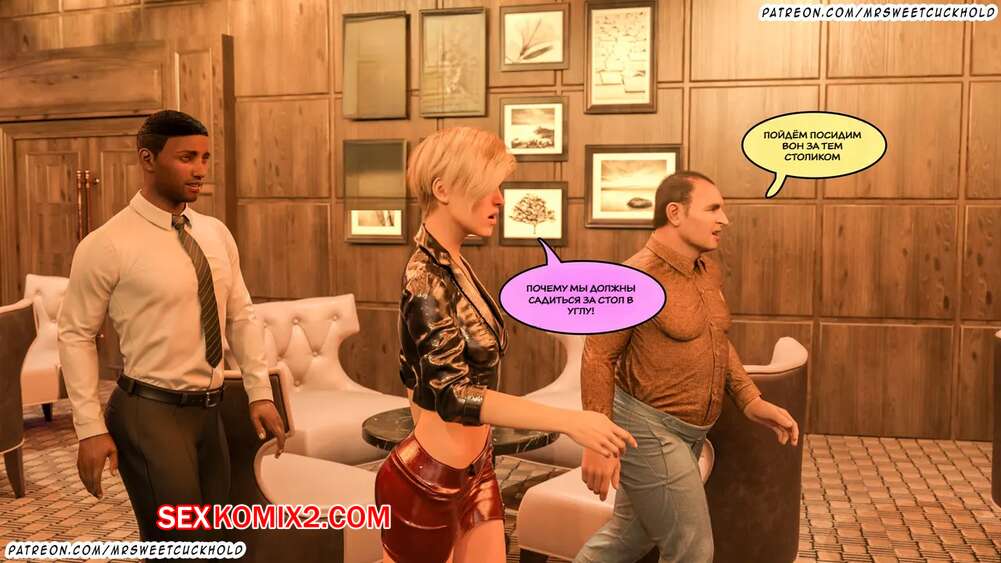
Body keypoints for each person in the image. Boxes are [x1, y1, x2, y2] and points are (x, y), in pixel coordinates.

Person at [374, 127, 637, 563]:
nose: (499, 199)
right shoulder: (425, 279)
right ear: (442, 189)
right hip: (428, 481)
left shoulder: (455, 265)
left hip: (476, 470)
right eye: (487, 186)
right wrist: (570, 421)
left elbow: (412, 374)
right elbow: (451, 394)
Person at [58, 110, 287, 542]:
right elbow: (75, 335)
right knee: (179, 545)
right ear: (148, 158)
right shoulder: (107, 244)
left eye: (205, 157)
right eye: (187, 158)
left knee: (214, 540)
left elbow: (241, 315)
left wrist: (259, 392)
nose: (200, 170)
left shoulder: (216, 234)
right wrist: (89, 428)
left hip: (210, 412)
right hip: (150, 414)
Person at [574, 171, 801, 563]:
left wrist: (750, 399)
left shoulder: (707, 270)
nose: (724, 220)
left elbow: (716, 339)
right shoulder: (632, 278)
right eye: (713, 209)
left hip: (690, 432)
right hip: (647, 429)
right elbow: (597, 356)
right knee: (693, 549)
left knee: (627, 538)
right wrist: (598, 441)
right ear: (675, 213)